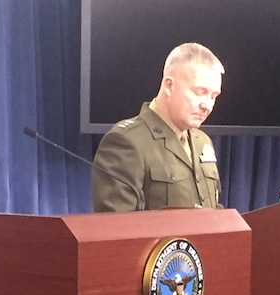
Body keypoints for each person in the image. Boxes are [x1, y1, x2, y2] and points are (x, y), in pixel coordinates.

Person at [91, 42, 224, 212]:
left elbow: (213, 209)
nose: (208, 105)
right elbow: (117, 229)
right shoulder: (126, 141)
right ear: (169, 85)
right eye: (200, 92)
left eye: (213, 96)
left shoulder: (202, 141)